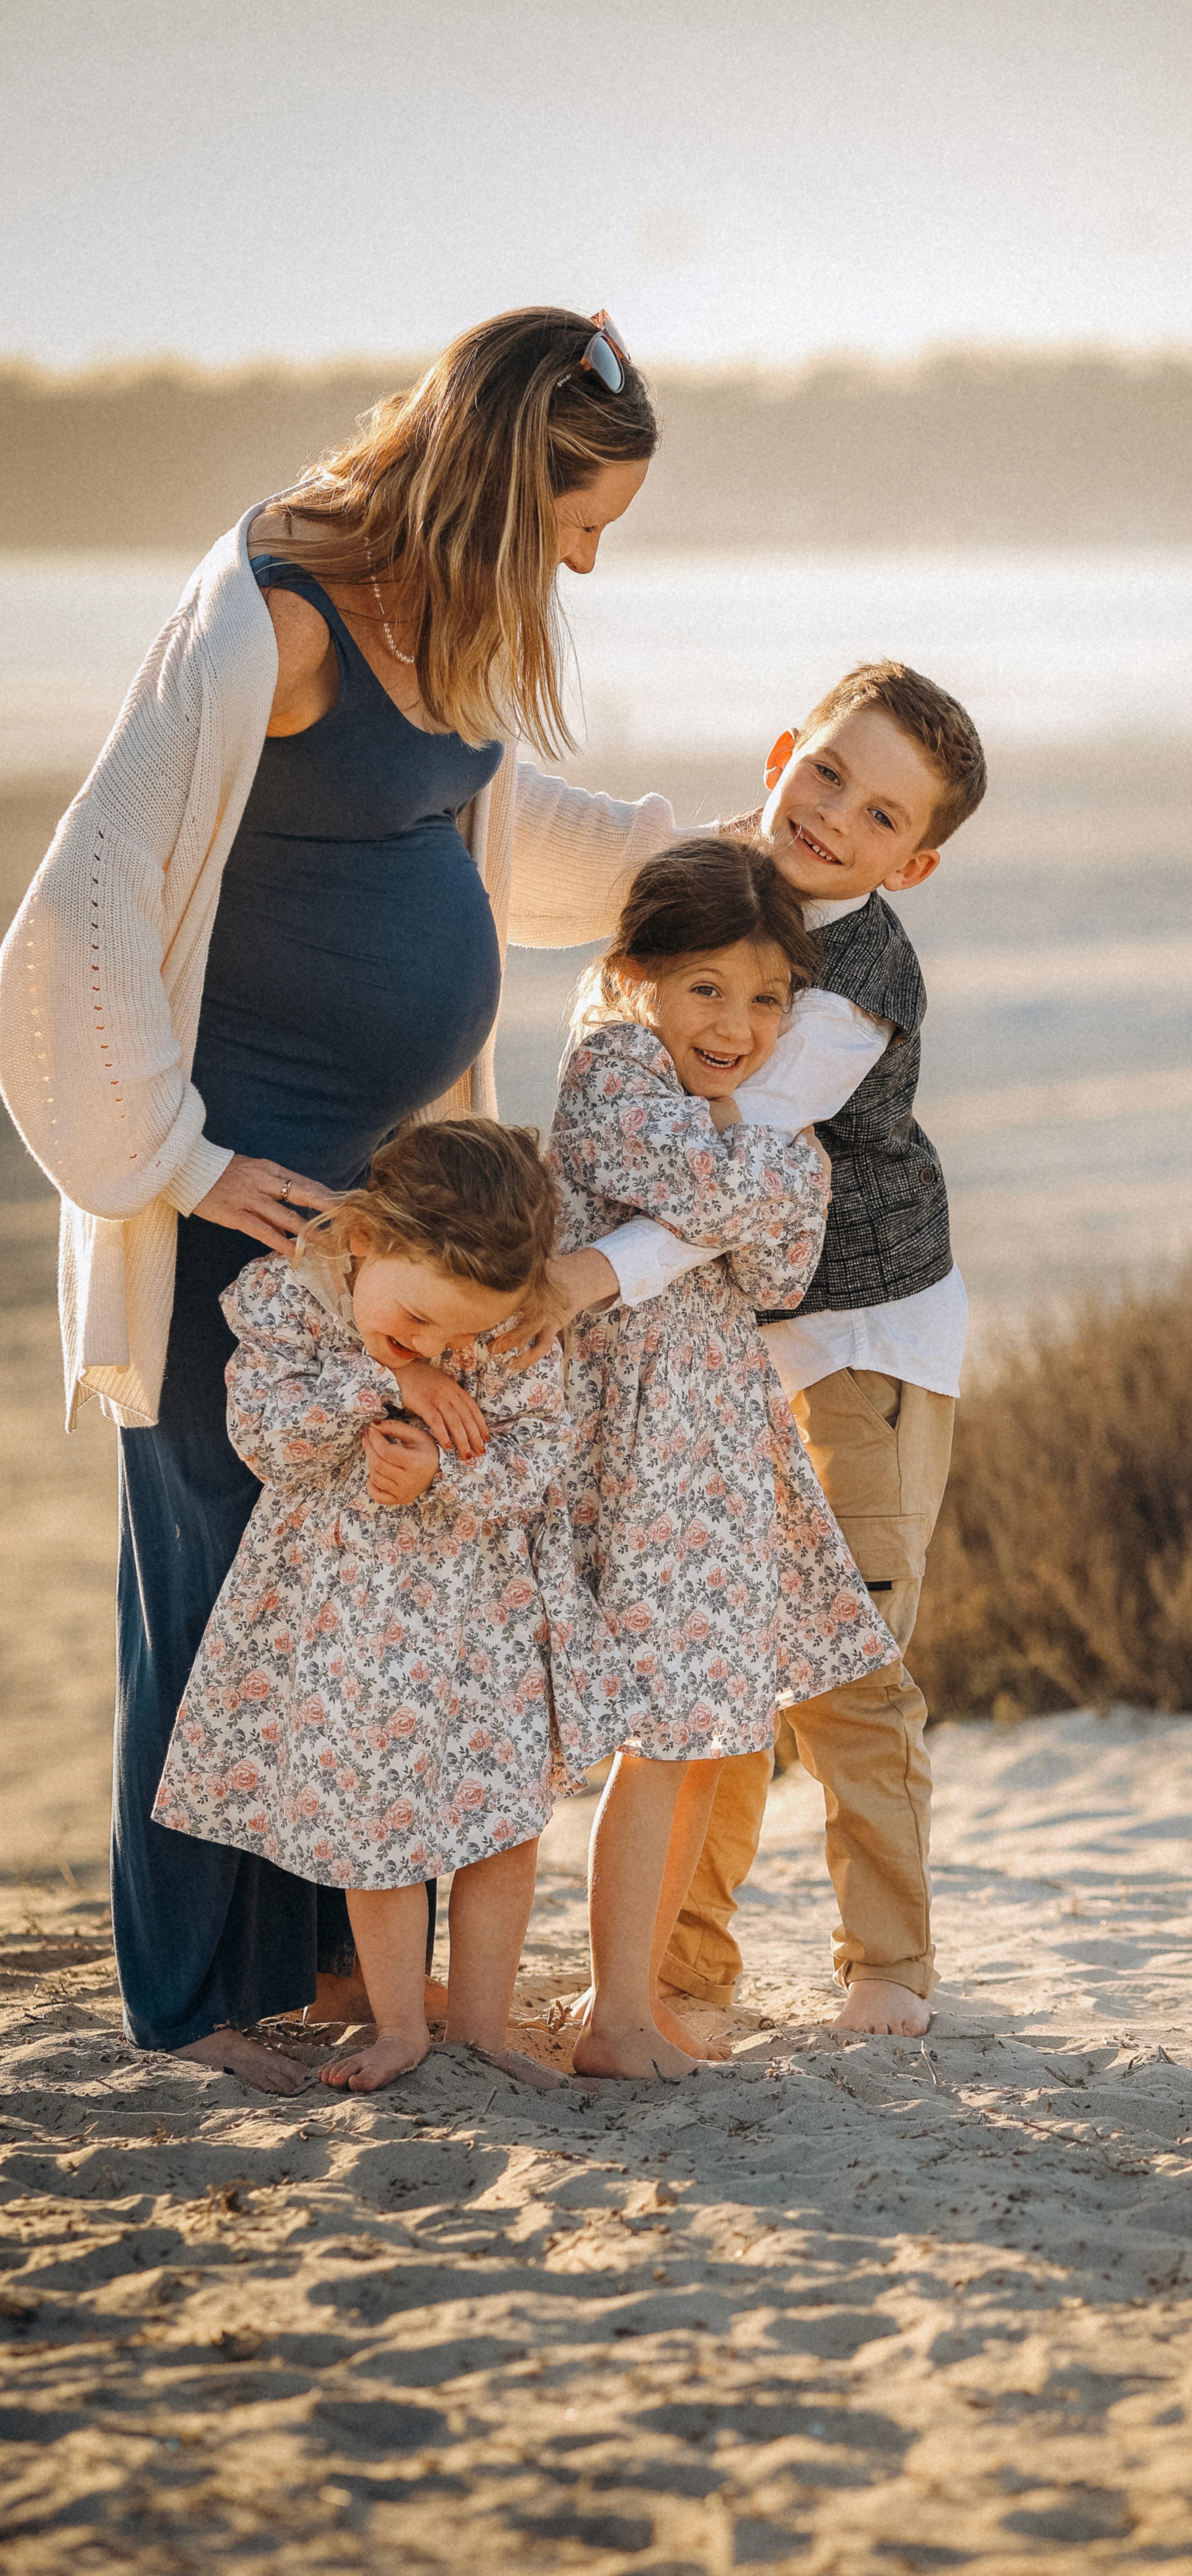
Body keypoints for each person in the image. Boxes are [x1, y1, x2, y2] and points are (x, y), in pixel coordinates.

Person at [0, 307, 683, 2091]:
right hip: (243, 1206)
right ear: (487, 481)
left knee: (349, 1579)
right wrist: (181, 1161)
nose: (590, 560)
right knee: (223, 1583)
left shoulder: (446, 619)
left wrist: (701, 858)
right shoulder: (275, 616)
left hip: (383, 1213)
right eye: (579, 516)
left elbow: (472, 830)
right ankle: (202, 2004)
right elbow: (76, 919)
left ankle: (321, 1982)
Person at [591, 665, 988, 2039]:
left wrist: (592, 1276)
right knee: (718, 1656)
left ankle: (888, 1964)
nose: (833, 817)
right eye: (826, 772)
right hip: (729, 1341)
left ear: (914, 863)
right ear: (782, 752)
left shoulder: (863, 974)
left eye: (880, 815)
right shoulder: (710, 887)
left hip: (864, 1338)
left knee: (850, 1662)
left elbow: (739, 1151)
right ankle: (684, 1963)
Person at [151, 1120, 618, 2093]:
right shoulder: (292, 1308)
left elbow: (539, 1464)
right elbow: (263, 1437)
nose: (442, 1348)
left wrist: (440, 1481)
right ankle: (400, 2026)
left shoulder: (509, 1331)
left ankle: (484, 2029)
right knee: (379, 1825)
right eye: (420, 1322)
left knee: (503, 1823)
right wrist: (386, 1378)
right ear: (364, 1241)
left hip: (481, 1621)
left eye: (457, 1335)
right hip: (348, 1624)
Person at [548, 838, 898, 2079]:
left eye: (765, 1001)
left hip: (712, 1446)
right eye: (706, 989)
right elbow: (719, 1185)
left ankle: (636, 1996)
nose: (738, 1028)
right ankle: (614, 2016)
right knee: (662, 1734)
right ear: (636, 973)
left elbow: (785, 1260)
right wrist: (788, 1161)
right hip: (645, 1455)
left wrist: (765, 1188)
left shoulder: (690, 1097)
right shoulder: (613, 1067)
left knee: (704, 1735)